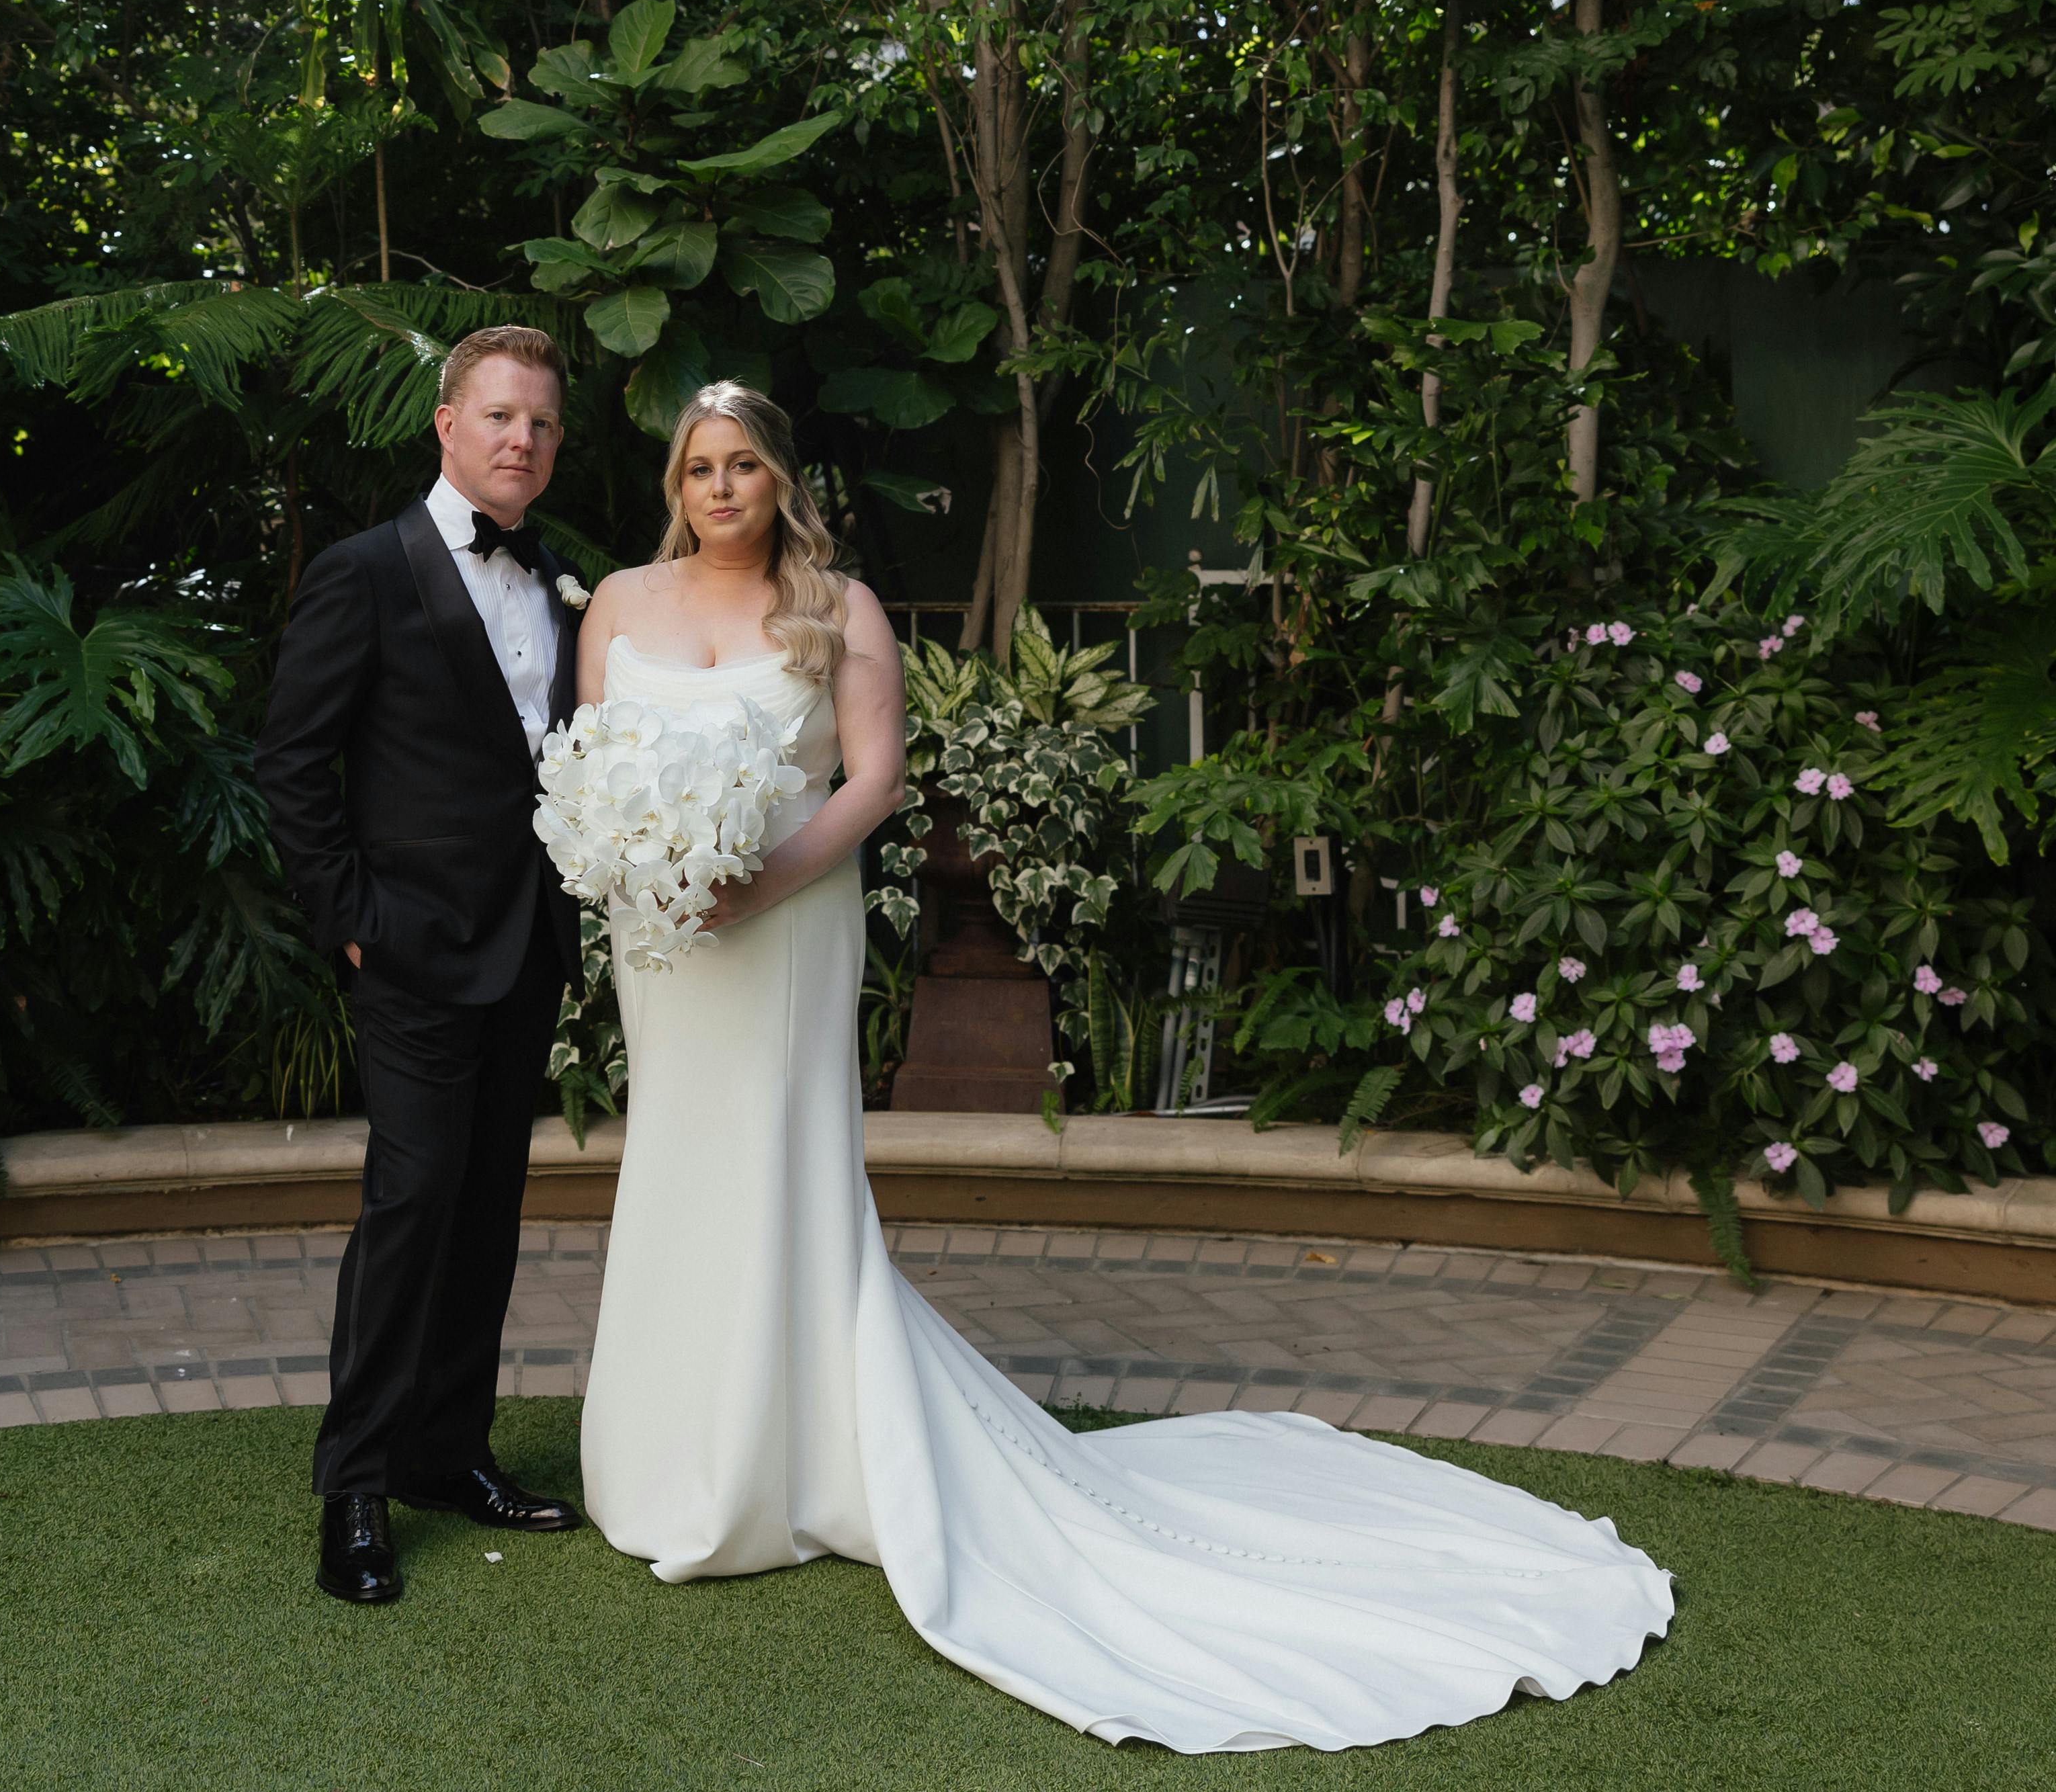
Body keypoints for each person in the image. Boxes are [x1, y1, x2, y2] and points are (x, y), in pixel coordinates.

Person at [573, 382, 1677, 1753]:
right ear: (674, 484)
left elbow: (872, 784)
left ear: (780, 478)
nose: (720, 488)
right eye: (698, 468)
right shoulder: (618, 601)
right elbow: (593, 762)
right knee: (677, 1156)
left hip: (785, 923)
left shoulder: (835, 609)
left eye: (742, 465)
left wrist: (766, 875)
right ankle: (662, 1454)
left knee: (776, 1164)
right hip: (664, 937)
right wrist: (647, 867)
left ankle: (779, 1461)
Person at [253, 325, 588, 1605]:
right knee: (412, 1202)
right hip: (408, 950)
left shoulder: (558, 576)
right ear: (446, 425)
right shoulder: (365, 573)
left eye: (544, 424)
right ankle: (354, 1484)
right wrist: (350, 917)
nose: (523, 439)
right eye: (501, 417)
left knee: (490, 1210)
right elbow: (294, 763)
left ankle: (450, 1453)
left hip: (525, 948)